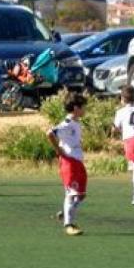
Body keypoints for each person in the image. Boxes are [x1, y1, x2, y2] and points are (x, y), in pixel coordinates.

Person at [47, 95, 88, 236]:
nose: (85, 110)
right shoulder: (67, 122)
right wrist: (58, 150)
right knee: (71, 194)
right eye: (84, 107)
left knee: (81, 195)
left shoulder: (76, 123)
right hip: (69, 162)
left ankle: (65, 213)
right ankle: (69, 225)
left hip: (78, 162)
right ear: (76, 108)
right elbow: (50, 133)